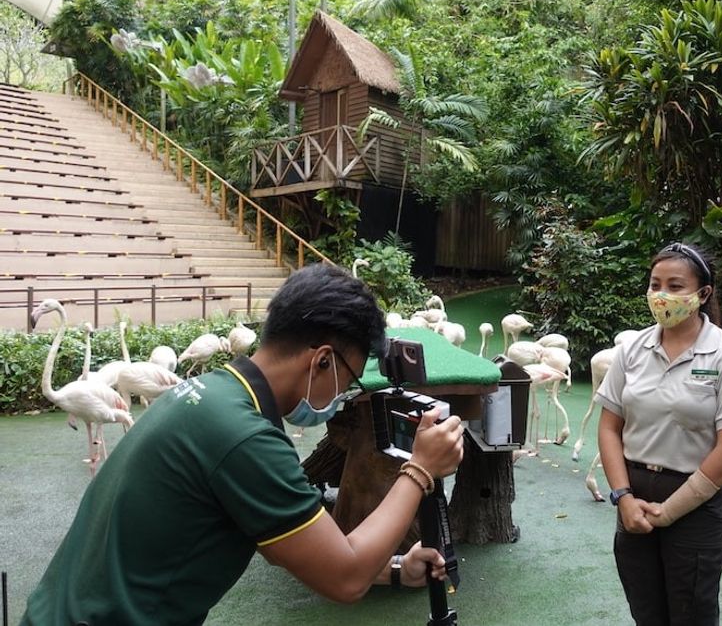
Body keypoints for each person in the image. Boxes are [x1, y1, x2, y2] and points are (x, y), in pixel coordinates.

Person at [22, 263, 465, 625]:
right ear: (323, 359)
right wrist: (420, 470)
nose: (343, 394)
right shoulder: (246, 437)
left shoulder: (210, 395)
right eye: (348, 380)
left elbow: (290, 546)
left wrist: (392, 569)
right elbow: (344, 578)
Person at [596, 242, 722, 626]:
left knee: (692, 613)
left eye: (674, 286)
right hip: (633, 497)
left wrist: (670, 511)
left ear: (703, 294)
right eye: (655, 284)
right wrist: (622, 497)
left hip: (697, 504)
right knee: (646, 610)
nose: (662, 295)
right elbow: (609, 426)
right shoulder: (631, 350)